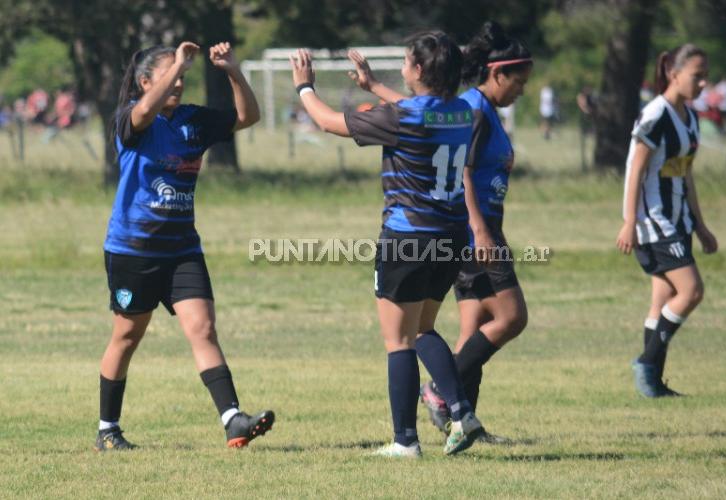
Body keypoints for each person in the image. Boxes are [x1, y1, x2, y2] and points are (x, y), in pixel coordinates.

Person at [290, 31, 484, 458]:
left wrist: (305, 85)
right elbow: (419, 110)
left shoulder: (401, 118)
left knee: (398, 341)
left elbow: (326, 121)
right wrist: (373, 85)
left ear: (417, 70)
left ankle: (405, 441)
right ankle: (461, 410)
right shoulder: (463, 113)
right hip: (451, 237)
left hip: (407, 238)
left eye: (404, 62)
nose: (401, 67)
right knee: (424, 328)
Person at [97, 41, 272, 451]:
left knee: (203, 328)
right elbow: (143, 112)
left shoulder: (193, 119)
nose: (179, 82)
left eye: (182, 76)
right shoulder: (132, 118)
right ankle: (108, 428)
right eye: (170, 76)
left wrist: (231, 70)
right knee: (126, 337)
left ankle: (233, 420)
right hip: (133, 250)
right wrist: (177, 61)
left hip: (181, 250)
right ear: (145, 82)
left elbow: (249, 116)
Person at [402, 21, 532, 442]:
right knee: (512, 318)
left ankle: (466, 423)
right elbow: (463, 170)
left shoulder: (485, 109)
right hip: (475, 229)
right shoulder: (475, 108)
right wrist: (480, 229)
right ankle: (442, 391)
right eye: (518, 81)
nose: (522, 90)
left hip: (477, 227)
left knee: (473, 328)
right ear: (497, 74)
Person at [616, 44, 718, 398]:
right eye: (697, 75)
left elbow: (685, 174)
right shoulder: (656, 115)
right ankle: (647, 361)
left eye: (706, 76)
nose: (704, 83)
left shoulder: (690, 118)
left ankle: (653, 385)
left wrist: (701, 225)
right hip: (654, 220)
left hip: (678, 218)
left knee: (662, 298)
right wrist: (630, 221)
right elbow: (635, 170)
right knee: (691, 291)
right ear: (674, 75)